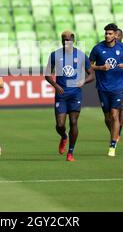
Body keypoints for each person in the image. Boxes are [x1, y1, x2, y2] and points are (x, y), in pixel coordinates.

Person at [45, 31, 94, 161]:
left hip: (75, 94)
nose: (66, 42)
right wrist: (56, 86)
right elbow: (47, 74)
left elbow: (91, 74)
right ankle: (64, 136)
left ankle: (70, 152)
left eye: (68, 39)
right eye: (63, 39)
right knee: (60, 125)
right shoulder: (55, 55)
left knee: (73, 122)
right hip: (61, 94)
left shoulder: (81, 55)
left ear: (73, 40)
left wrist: (83, 80)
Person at [89, 23, 123, 157]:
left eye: (110, 33)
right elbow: (89, 66)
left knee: (114, 114)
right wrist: (100, 68)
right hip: (103, 87)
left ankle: (113, 145)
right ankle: (114, 135)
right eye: (106, 33)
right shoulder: (97, 48)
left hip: (118, 87)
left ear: (115, 35)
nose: (107, 35)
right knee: (107, 117)